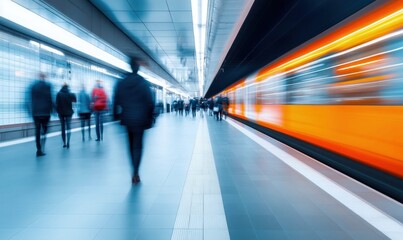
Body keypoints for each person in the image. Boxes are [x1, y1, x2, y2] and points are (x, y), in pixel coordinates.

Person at [113, 57, 155, 184]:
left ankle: (134, 169)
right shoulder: (143, 83)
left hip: (127, 118)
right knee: (138, 146)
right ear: (138, 69)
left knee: (130, 145)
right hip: (141, 119)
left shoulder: (121, 83)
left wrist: (115, 115)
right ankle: (136, 171)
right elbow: (150, 102)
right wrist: (150, 116)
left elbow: (116, 100)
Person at [30, 72, 53, 157]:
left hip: (36, 113)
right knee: (45, 130)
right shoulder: (48, 86)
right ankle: (42, 146)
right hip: (45, 112)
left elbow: (31, 99)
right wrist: (52, 110)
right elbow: (50, 98)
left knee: (37, 131)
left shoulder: (33, 86)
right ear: (44, 77)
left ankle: (38, 149)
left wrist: (31, 110)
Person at [56, 83, 76, 148]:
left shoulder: (59, 94)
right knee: (68, 127)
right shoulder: (70, 94)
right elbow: (75, 100)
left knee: (63, 128)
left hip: (61, 113)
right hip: (69, 113)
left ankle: (64, 143)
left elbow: (56, 104)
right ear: (67, 87)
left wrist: (58, 111)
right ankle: (68, 142)